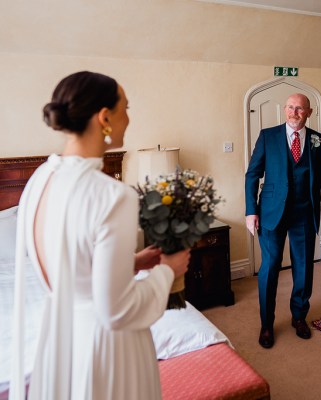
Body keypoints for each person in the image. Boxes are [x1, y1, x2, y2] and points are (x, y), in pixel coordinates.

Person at [10, 71, 190, 400]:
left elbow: (72, 263)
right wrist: (169, 270)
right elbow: (116, 309)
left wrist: (132, 263)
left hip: (61, 339)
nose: (129, 118)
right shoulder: (112, 196)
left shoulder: (41, 178)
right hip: (104, 347)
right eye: (126, 107)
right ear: (104, 117)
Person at [245, 93, 321, 349]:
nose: (294, 112)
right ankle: (267, 323)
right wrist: (250, 210)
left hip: (304, 211)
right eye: (290, 107)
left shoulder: (320, 141)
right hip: (271, 213)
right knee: (270, 266)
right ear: (284, 109)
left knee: (303, 267)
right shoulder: (268, 136)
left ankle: (299, 316)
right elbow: (252, 174)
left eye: (300, 109)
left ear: (309, 112)